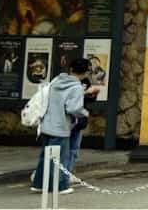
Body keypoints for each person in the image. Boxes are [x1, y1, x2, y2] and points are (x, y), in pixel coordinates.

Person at [30, 57, 91, 194]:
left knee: (45, 156)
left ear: (71, 69)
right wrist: (84, 113)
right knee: (60, 158)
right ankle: (60, 186)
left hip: (46, 124)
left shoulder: (56, 80)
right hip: (60, 127)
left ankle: (38, 184)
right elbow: (73, 108)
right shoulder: (76, 87)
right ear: (86, 73)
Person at [68, 72, 102, 173]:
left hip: (79, 120)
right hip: (68, 119)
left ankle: (69, 171)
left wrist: (93, 94)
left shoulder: (85, 82)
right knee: (65, 147)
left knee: (74, 148)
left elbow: (88, 99)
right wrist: (86, 93)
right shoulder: (67, 81)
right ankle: (64, 172)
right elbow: (69, 98)